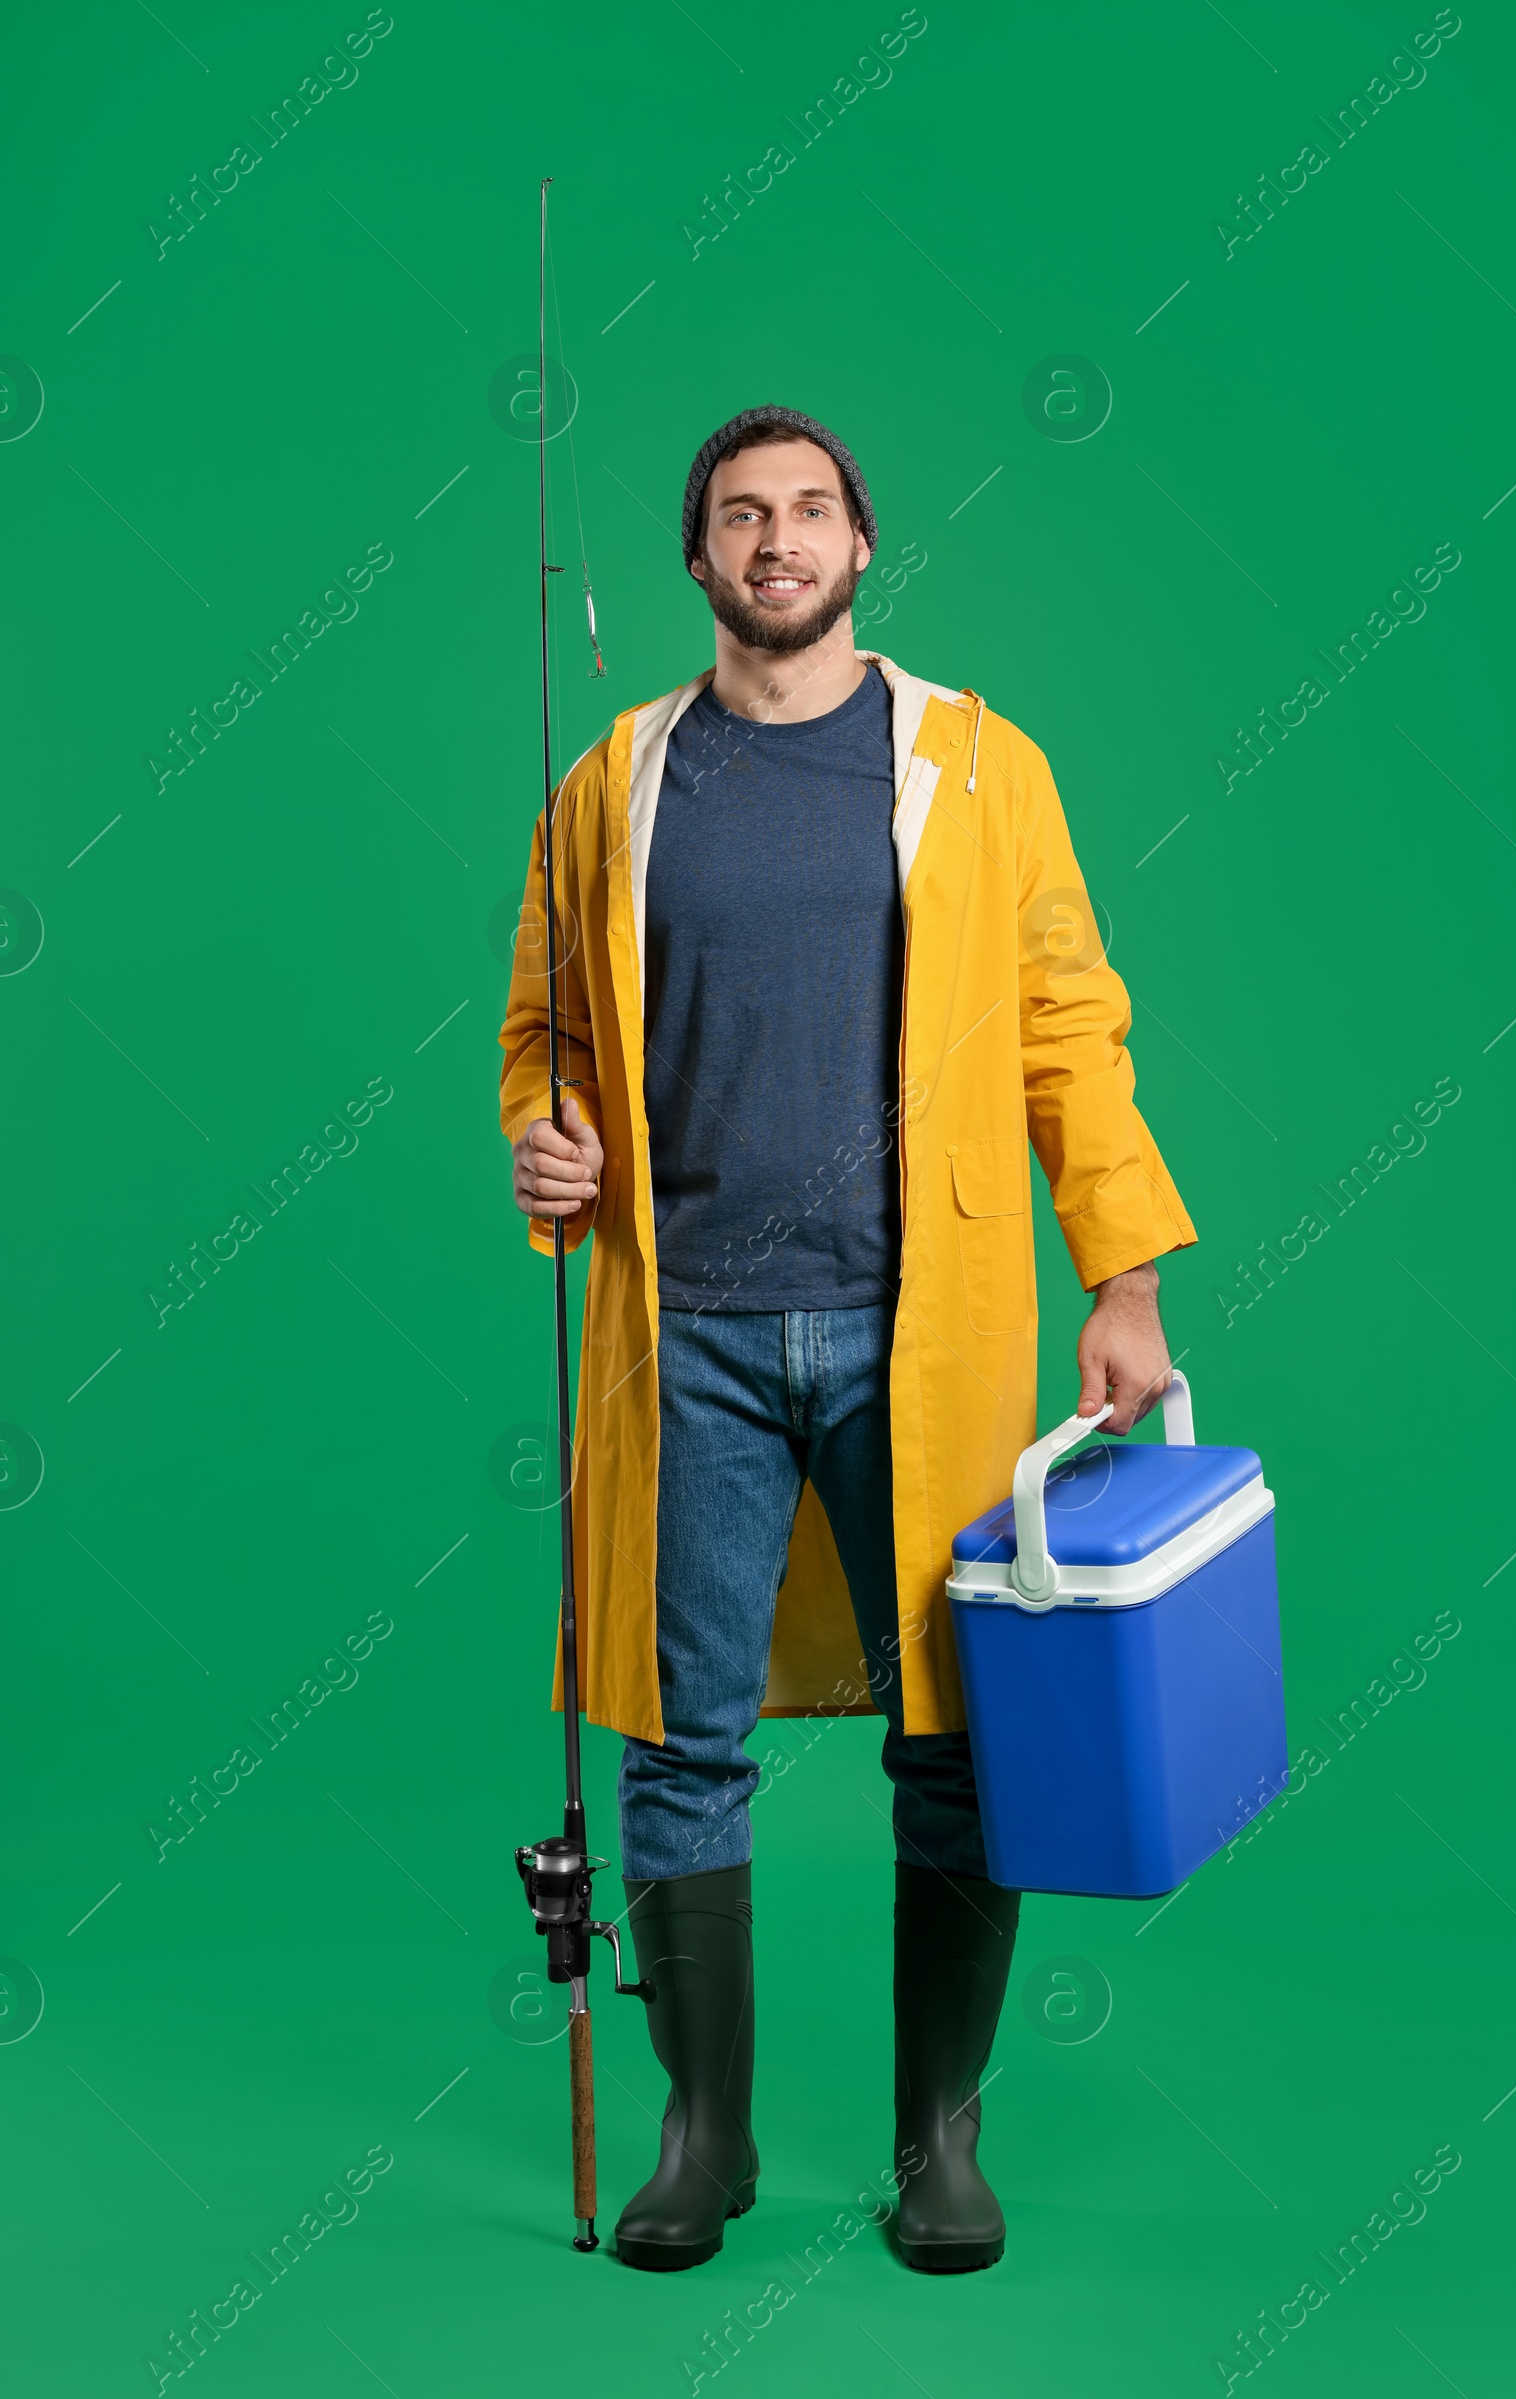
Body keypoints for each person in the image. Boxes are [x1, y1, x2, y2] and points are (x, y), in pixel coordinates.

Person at [498, 405, 1196, 2275]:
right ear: (701, 559)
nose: (778, 540)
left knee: (955, 1739)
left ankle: (938, 2145)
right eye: (742, 514)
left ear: (864, 543)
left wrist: (1122, 1277)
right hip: (689, 1332)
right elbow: (544, 1031)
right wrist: (544, 1135)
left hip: (923, 1329)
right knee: (674, 1740)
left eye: (811, 510)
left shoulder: (978, 766)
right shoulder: (615, 784)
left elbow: (1071, 1021)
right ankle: (702, 2137)